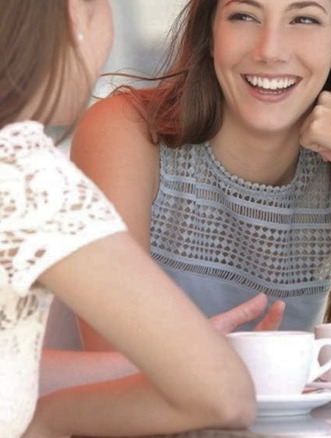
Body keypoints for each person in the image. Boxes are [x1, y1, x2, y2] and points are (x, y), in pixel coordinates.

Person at [69, 0, 331, 350]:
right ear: (211, 33)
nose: (270, 50)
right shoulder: (129, 132)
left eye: (304, 19)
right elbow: (115, 358)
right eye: (244, 15)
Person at [1, 0, 258, 436]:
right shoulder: (24, 176)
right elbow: (224, 395)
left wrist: (173, 348)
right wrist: (50, 419)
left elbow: (13, 368)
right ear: (74, 15)